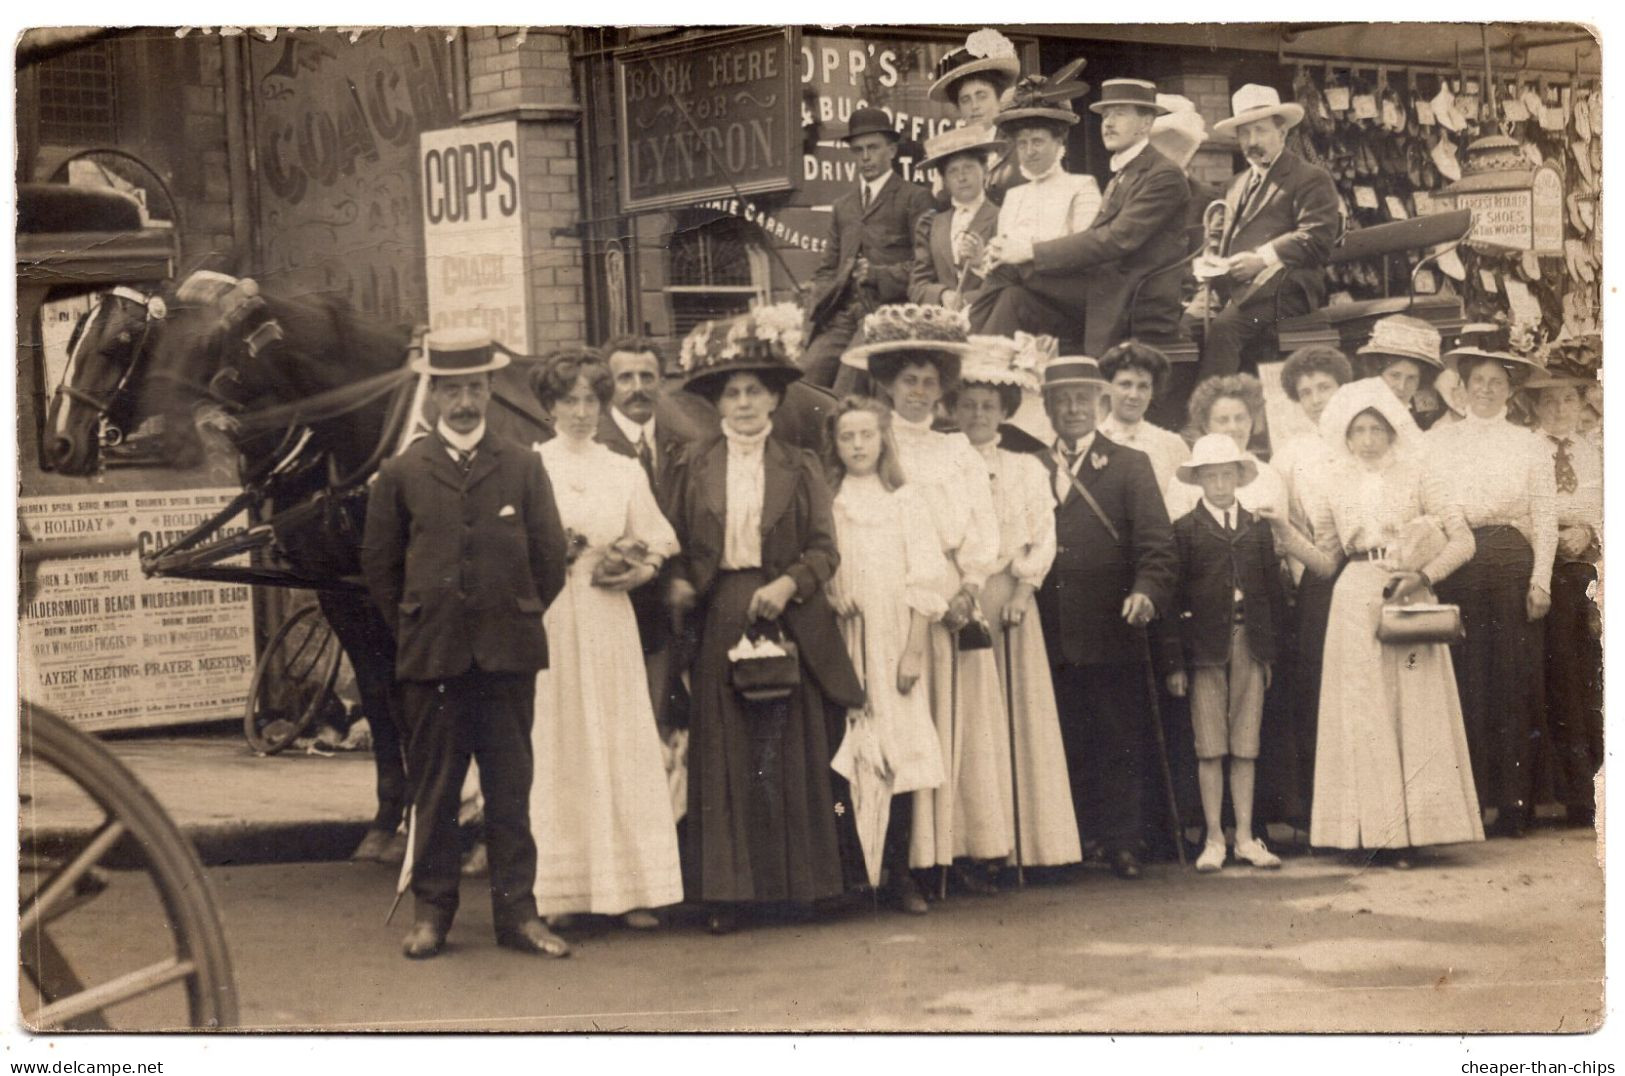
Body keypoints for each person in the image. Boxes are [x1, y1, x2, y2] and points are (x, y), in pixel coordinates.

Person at [359, 327, 570, 960]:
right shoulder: (401, 473)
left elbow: (550, 559)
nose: (463, 403)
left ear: (488, 391)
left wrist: (514, 614)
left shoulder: (524, 465)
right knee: (437, 791)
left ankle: (519, 916)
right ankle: (432, 914)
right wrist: (421, 628)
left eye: (474, 388)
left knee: (511, 790)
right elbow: (381, 569)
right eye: (451, 391)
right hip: (435, 659)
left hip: (507, 657)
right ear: (432, 397)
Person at [665, 307, 863, 934]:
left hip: (787, 612)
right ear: (717, 402)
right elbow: (671, 543)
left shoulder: (800, 464)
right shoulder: (692, 464)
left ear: (775, 397)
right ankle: (730, 895)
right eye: (732, 392)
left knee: (788, 748)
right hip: (721, 610)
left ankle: (800, 887)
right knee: (726, 753)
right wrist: (678, 590)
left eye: (755, 390)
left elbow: (826, 551)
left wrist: (787, 582)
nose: (744, 402)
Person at [1263, 378, 1483, 864]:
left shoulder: (1421, 474)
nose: (1366, 438)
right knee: (1365, 715)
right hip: (1353, 598)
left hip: (1408, 593)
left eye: (1375, 428)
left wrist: (1422, 574)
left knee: (1410, 709)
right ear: (1344, 434)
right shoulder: (1331, 482)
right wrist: (1283, 531)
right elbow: (1325, 560)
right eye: (1357, 429)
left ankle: (1414, 833)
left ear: (1391, 429)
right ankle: (1372, 834)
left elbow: (1462, 541)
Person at [844, 304, 1012, 894]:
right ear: (886, 384)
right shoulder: (868, 441)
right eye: (907, 381)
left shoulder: (956, 451)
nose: (918, 393)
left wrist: (970, 585)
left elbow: (982, 528)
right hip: (890, 599)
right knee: (903, 724)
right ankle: (905, 862)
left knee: (958, 724)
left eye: (929, 383)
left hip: (950, 597)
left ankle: (957, 851)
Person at [526, 350, 684, 931]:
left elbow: (659, 539)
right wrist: (545, 553)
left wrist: (638, 570)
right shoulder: (531, 466)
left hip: (608, 616)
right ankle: (561, 892)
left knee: (617, 740)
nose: (581, 412)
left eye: (591, 399)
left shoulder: (623, 469)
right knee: (561, 741)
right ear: (549, 408)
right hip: (553, 620)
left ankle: (633, 889)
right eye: (568, 401)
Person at [1035, 354, 1176, 879]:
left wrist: (1146, 592)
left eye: (1081, 398)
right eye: (1061, 399)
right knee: (1059, 735)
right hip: (1045, 627)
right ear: (1047, 408)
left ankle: (1122, 842)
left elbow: (1158, 546)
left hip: (1112, 625)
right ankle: (1072, 841)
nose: (1072, 408)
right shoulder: (1030, 464)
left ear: (1101, 404)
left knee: (1118, 735)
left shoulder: (1129, 464)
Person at [950, 343, 1083, 873]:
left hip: (1010, 597)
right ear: (953, 411)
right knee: (971, 719)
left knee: (1017, 714)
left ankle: (1028, 843)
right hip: (962, 596)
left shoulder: (1026, 467)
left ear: (1003, 411)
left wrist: (1025, 593)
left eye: (987, 405)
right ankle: (974, 844)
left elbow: (1042, 536)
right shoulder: (945, 463)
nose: (978, 415)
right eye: (968, 405)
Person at [823, 397, 949, 914]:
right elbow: (822, 564)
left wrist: (913, 651)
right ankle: (853, 874)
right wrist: (832, 594)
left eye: (866, 436)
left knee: (897, 753)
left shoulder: (904, 500)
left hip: (894, 636)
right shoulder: (829, 501)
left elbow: (926, 574)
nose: (857, 446)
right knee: (848, 754)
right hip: (843, 640)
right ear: (835, 444)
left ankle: (899, 874)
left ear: (882, 440)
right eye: (847, 437)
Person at [1427, 344, 1556, 838]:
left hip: (1510, 561)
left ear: (1510, 389)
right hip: (1459, 558)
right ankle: (1473, 801)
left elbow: (1544, 516)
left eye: (1496, 382)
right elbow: (1435, 503)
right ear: (1462, 386)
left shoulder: (1529, 444)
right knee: (1467, 680)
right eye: (1477, 380)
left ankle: (1515, 801)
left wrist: (1540, 579)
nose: (1485, 389)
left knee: (1515, 680)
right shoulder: (1441, 441)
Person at [975, 78, 1191, 359]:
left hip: (1133, 297)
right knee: (1012, 295)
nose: (1108, 123)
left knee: (1011, 269)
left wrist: (1028, 251)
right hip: (1106, 286)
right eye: (1106, 115)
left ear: (1146, 123)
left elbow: (1115, 239)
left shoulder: (1163, 175)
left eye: (1120, 114)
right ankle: (981, 363)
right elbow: (1098, 239)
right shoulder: (1125, 172)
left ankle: (971, 354)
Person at [1163, 434, 1287, 872]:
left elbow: (1272, 595)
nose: (1219, 483)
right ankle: (1214, 836)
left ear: (1239, 476)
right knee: (1210, 745)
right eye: (1210, 476)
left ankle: (1247, 837)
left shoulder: (1257, 527)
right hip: (1204, 650)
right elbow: (1172, 602)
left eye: (1226, 474)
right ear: (1198, 480)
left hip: (1248, 644)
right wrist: (1175, 663)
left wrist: (1267, 654)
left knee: (1246, 744)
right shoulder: (1185, 530)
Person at [1201, 84, 1341, 379]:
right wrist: (1208, 261)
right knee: (1184, 328)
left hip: (1288, 288)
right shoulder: (1236, 183)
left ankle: (1211, 416)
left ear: (1282, 132)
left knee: (1225, 329)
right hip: (1235, 288)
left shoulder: (1310, 178)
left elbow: (1317, 237)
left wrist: (1262, 258)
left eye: (1261, 131)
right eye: (1245, 133)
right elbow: (1217, 237)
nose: (1253, 141)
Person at [1271, 344, 1355, 828]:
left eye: (1324, 387)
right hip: (1317, 585)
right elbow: (1281, 521)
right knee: (1316, 692)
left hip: (1364, 574)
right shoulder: (1292, 454)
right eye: (1306, 392)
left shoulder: (1367, 438)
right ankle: (1319, 813)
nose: (1317, 398)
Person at [594, 335, 693, 729]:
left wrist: (682, 577)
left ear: (662, 382)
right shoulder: (596, 445)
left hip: (677, 603)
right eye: (626, 378)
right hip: (620, 602)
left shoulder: (684, 442)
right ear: (609, 386)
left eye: (647, 377)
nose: (638, 388)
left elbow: (690, 521)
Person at [800, 107, 935, 390]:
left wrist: (876, 274)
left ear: (892, 150)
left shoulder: (915, 198)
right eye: (858, 150)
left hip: (888, 313)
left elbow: (925, 269)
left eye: (873, 148)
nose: (865, 157)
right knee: (805, 377)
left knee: (848, 379)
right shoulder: (843, 207)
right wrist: (814, 306)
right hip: (843, 315)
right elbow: (827, 269)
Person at [1525, 371, 1603, 828]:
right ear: (1536, 408)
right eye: (1549, 402)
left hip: (1585, 567)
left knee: (1584, 677)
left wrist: (1590, 531)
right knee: (1554, 678)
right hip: (1541, 564)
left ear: (1581, 405)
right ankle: (1555, 790)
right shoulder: (1526, 449)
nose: (1559, 410)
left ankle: (1587, 793)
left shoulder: (1593, 451)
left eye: (1568, 400)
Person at [1164, 373, 1287, 523]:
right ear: (1206, 426)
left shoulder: (1269, 476)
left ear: (1251, 421)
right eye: (1223, 420)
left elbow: (1279, 537)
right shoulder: (1183, 481)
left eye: (1240, 418)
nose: (1233, 427)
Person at [908, 126, 1004, 312]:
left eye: (968, 167)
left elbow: (1008, 281)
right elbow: (917, 286)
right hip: (942, 322)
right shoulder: (932, 224)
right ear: (944, 179)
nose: (961, 177)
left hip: (987, 317)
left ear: (984, 169)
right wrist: (943, 295)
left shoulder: (1002, 217)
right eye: (953, 171)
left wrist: (967, 300)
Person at [926, 27, 1024, 202]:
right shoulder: (950, 150)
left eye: (982, 96)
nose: (974, 106)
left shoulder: (1018, 144)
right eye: (965, 100)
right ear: (958, 108)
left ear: (998, 98)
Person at [1097, 340, 1192, 504]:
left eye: (1143, 387)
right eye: (1125, 384)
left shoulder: (1172, 446)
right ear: (1108, 387)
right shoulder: (1089, 441)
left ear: (1152, 392)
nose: (1134, 395)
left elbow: (1187, 509)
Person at [1356, 315, 1446, 431]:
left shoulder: (1426, 414)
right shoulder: (1359, 410)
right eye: (1395, 375)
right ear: (1378, 373)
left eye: (1411, 378)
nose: (1401, 386)